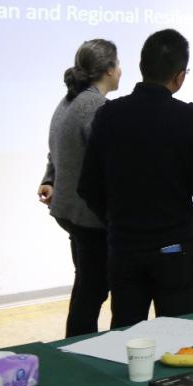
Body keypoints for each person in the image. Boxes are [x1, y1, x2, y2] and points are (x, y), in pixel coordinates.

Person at [78, 29, 193, 328]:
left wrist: (115, 220)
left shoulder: (108, 115)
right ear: (179, 77)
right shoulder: (190, 119)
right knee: (177, 336)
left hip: (124, 245)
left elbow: (88, 187)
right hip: (175, 247)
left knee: (126, 336)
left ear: (142, 66)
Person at [36, 39, 121, 337]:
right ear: (108, 70)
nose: (120, 70)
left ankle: (76, 344)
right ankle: (77, 346)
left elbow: (55, 150)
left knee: (87, 283)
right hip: (90, 216)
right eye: (118, 64)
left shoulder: (68, 101)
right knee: (92, 288)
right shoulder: (95, 107)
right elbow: (109, 164)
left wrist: (49, 180)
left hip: (70, 211)